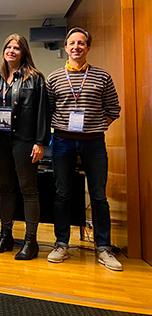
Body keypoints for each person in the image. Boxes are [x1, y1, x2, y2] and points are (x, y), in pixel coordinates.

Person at [46, 28, 122, 271]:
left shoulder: (102, 76)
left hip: (94, 142)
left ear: (88, 47)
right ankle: (61, 244)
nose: (76, 47)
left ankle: (103, 248)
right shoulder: (54, 78)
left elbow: (113, 109)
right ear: (66, 47)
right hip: (62, 142)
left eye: (81, 43)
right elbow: (47, 110)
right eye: (72, 43)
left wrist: (94, 127)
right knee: (62, 193)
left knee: (98, 195)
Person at [0, 34, 49, 260]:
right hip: (0, 141)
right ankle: (6, 236)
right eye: (8, 47)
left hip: (25, 140)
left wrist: (40, 142)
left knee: (28, 190)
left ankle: (31, 241)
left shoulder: (35, 78)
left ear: (24, 52)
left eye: (16, 48)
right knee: (5, 188)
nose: (11, 51)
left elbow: (43, 112)